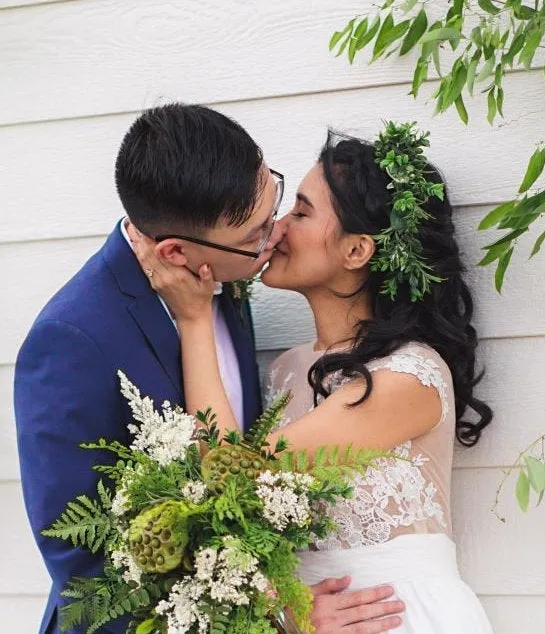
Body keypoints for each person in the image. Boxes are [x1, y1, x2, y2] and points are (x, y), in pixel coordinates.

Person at [14, 103, 401, 634]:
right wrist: (275, 615)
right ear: (176, 251)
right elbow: (83, 564)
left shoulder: (224, 278)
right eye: (254, 237)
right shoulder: (72, 338)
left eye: (276, 204)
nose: (275, 238)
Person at [132, 123, 495, 633]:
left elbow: (231, 476)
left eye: (301, 211)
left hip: (400, 617)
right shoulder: (286, 370)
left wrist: (195, 320)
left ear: (356, 251)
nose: (277, 227)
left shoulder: (407, 376)